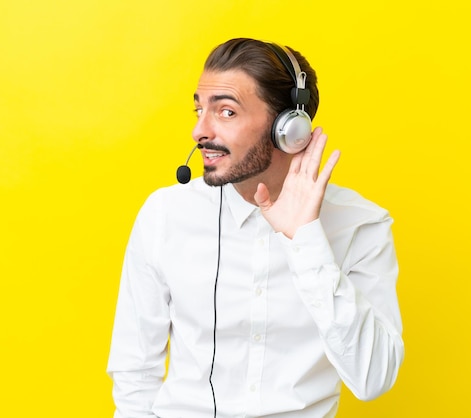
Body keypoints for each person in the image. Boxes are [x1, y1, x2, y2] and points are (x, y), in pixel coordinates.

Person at [107, 37, 404, 418]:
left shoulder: (361, 225)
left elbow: (373, 379)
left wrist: (305, 240)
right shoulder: (165, 214)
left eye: (226, 112)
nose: (200, 131)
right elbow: (135, 374)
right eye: (199, 110)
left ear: (289, 127)